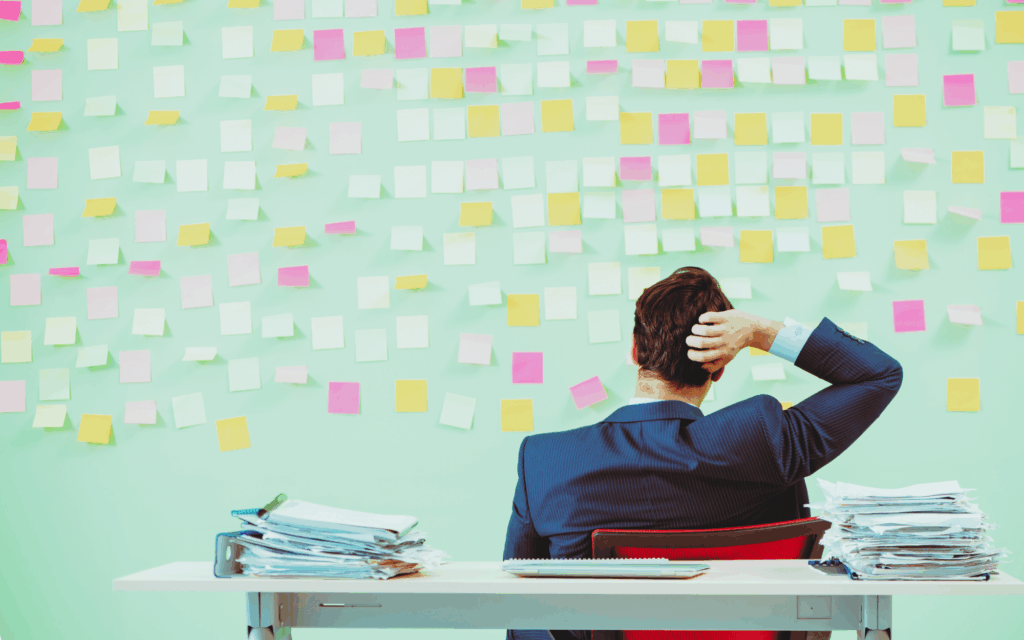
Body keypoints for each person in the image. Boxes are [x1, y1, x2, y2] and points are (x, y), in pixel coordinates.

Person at [502, 266, 904, 640]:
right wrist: (759, 332)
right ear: (720, 366)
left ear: (635, 352)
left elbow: (518, 610)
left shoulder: (545, 459)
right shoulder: (764, 439)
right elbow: (879, 373)